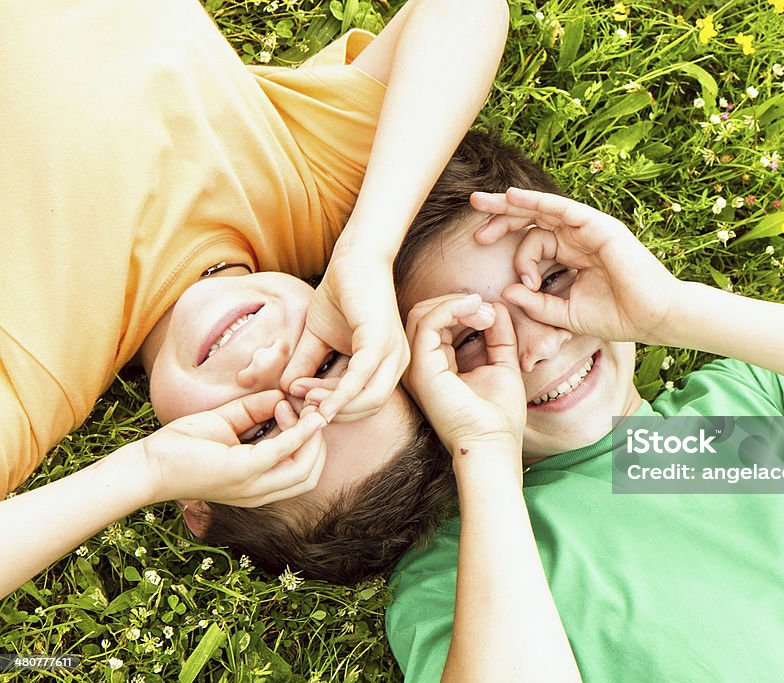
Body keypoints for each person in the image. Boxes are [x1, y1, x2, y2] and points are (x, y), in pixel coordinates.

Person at [383, 131, 784, 680]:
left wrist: (673, 309)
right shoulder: (459, 570)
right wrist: (484, 455)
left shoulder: (748, 411)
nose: (540, 343)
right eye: (472, 338)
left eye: (552, 280)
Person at [0, 0, 507, 598]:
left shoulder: (33, 387)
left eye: (256, 429)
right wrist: (367, 249)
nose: (266, 367)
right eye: (323, 366)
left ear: (195, 497)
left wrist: (145, 471)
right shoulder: (308, 196)